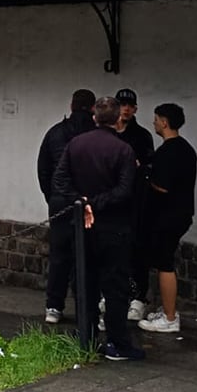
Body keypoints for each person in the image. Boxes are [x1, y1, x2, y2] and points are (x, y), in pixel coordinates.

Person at [51, 96, 145, 362]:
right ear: (117, 119)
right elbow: (125, 190)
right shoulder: (123, 150)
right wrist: (96, 203)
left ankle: (87, 335)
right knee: (115, 287)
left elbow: (59, 179)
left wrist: (82, 202)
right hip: (114, 225)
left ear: (95, 117)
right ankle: (117, 342)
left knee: (84, 282)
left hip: (82, 224)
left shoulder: (76, 144)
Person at [36, 88, 96, 324]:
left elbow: (43, 168)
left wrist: (52, 196)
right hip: (90, 201)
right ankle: (87, 307)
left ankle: (54, 305)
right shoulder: (95, 133)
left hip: (60, 201)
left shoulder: (55, 133)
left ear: (71, 106)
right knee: (89, 256)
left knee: (59, 255)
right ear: (93, 108)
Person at [139, 103, 197, 335]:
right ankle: (167, 309)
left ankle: (170, 317)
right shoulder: (186, 149)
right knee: (163, 260)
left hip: (168, 215)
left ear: (164, 122)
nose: (154, 123)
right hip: (181, 213)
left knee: (165, 263)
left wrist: (144, 175)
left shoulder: (168, 152)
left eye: (156, 119)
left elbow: (162, 186)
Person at [115, 88, 156, 321]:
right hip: (112, 199)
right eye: (122, 105)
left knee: (137, 249)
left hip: (135, 202)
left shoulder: (141, 136)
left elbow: (150, 166)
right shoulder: (108, 133)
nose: (126, 109)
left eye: (130, 106)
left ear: (135, 109)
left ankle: (138, 297)